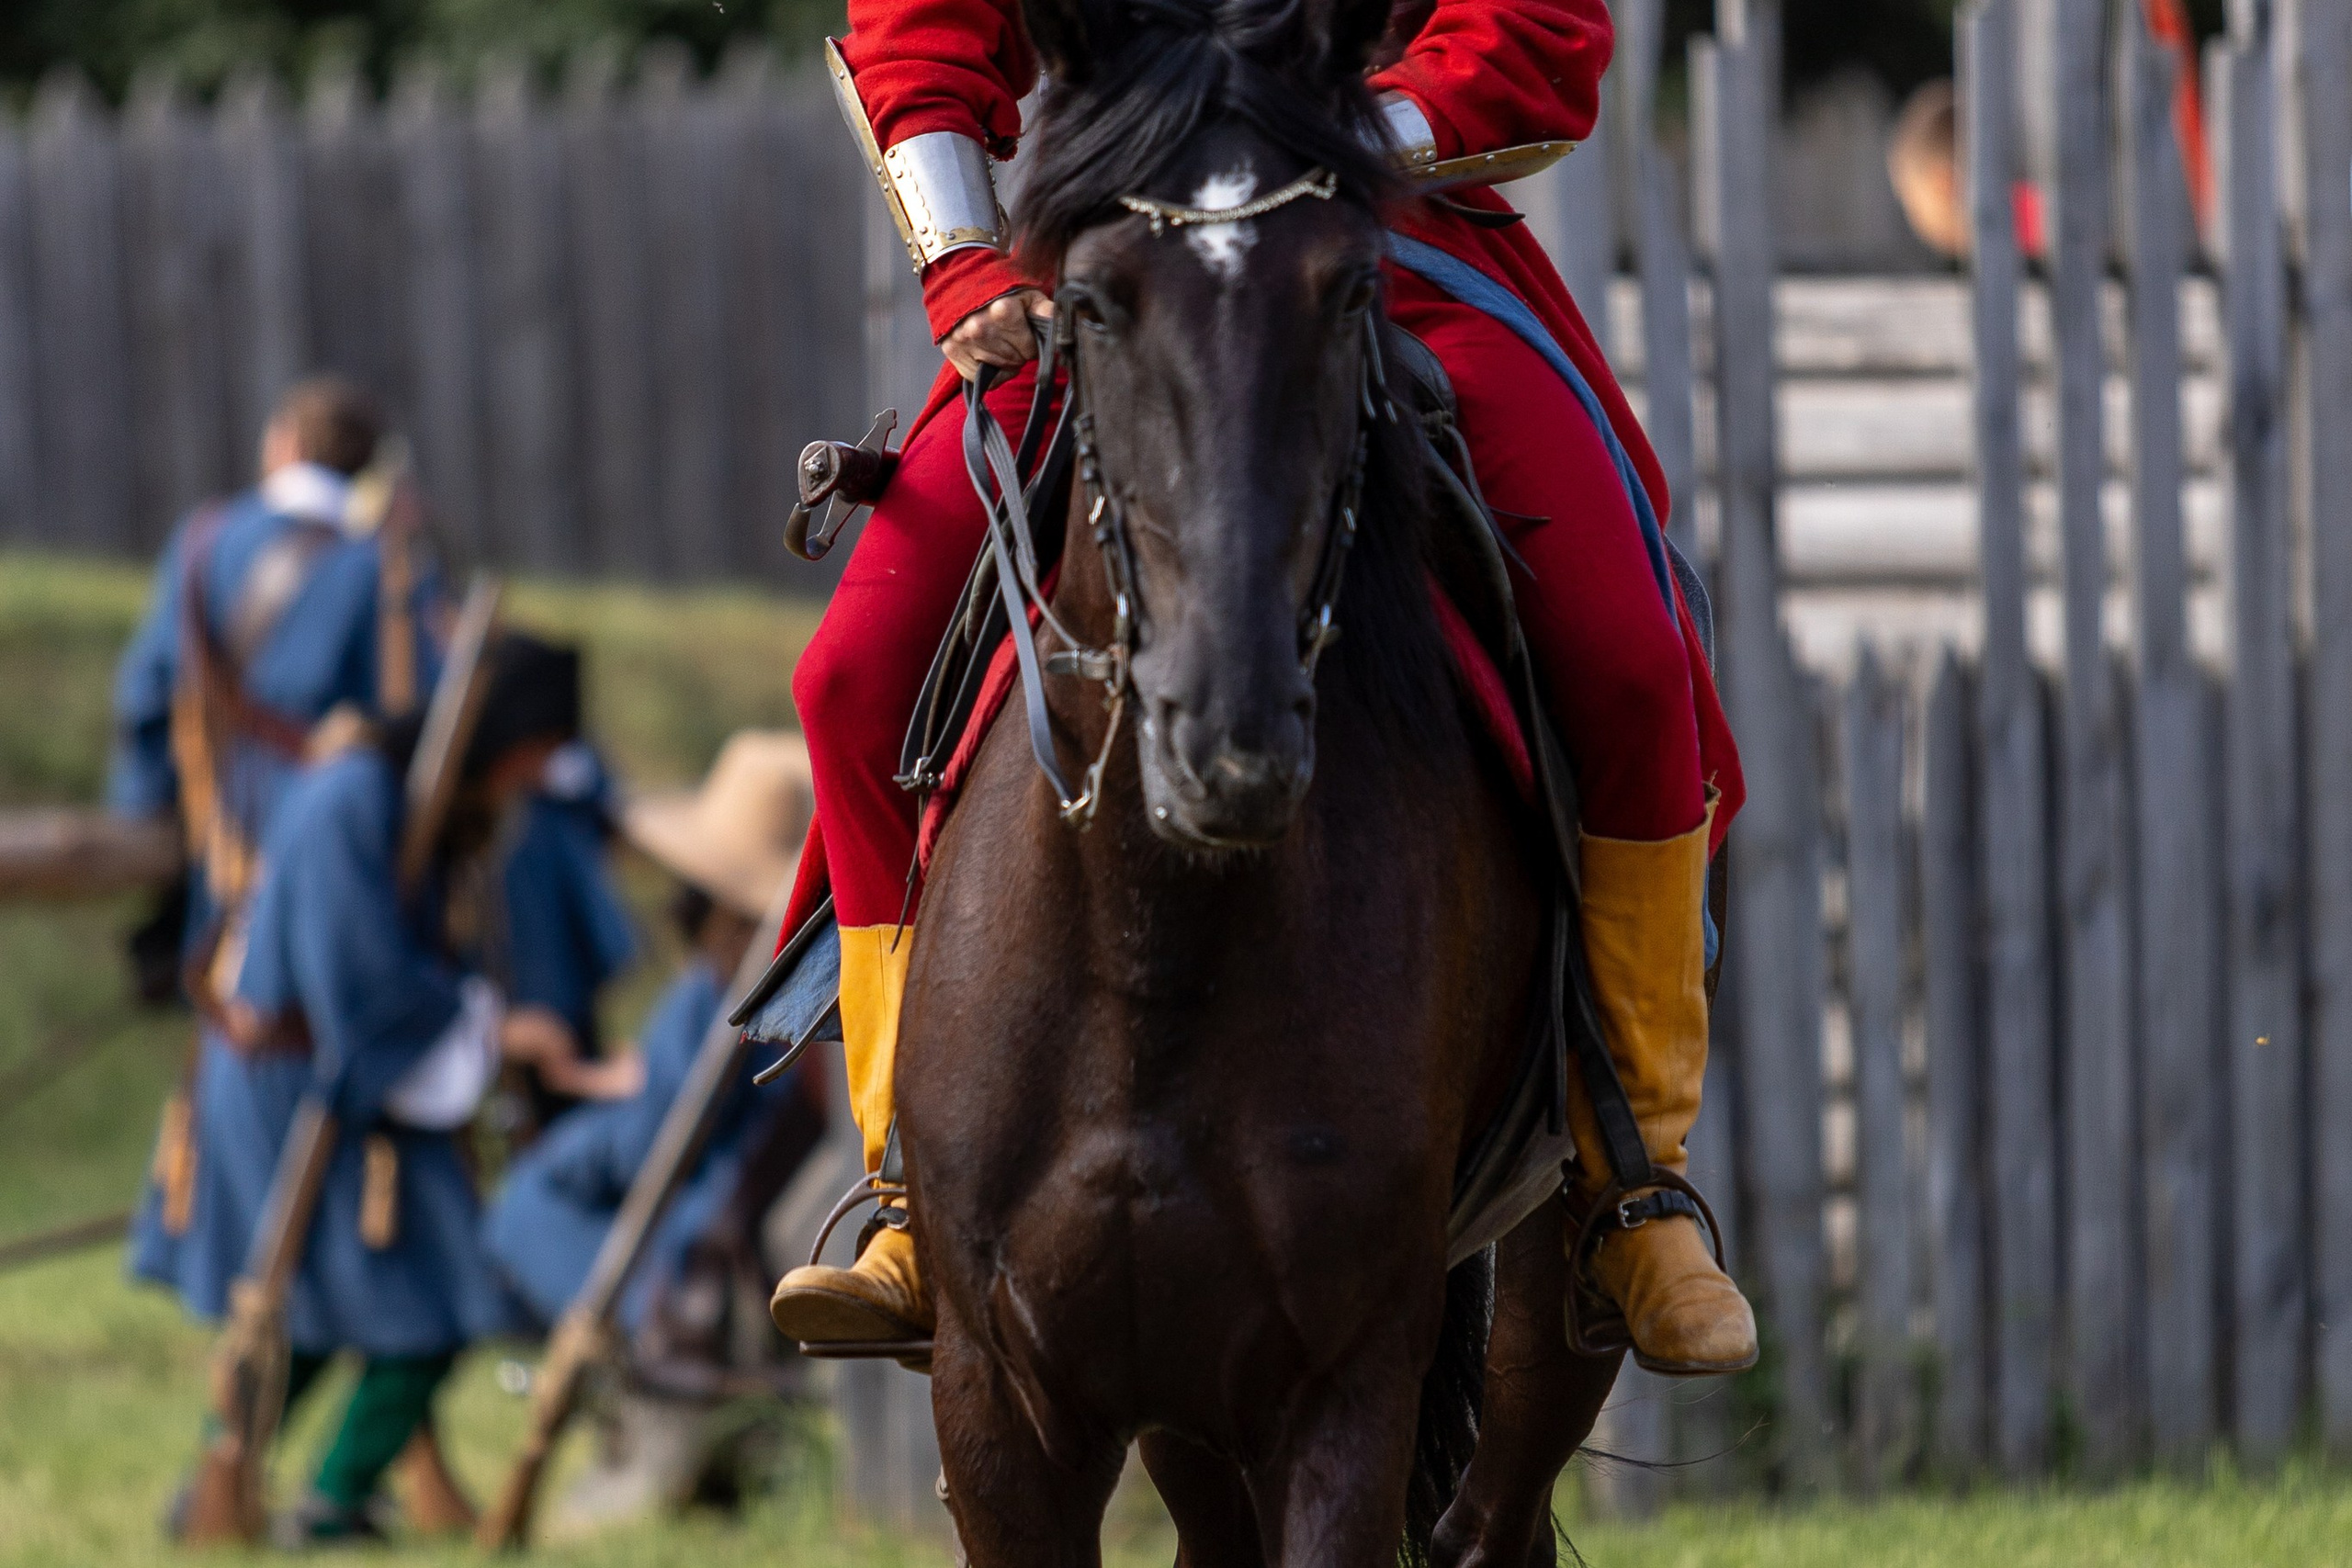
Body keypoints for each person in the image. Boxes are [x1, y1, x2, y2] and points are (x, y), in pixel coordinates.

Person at [766, 0, 1756, 1376]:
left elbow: (1531, 24)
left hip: (1372, 241)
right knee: (853, 674)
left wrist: (1330, 143)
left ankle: (1634, 1177)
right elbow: (922, 22)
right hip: (1107, 265)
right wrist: (962, 258)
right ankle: (903, 1190)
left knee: (1634, 662)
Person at [140, 632, 598, 1546]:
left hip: (352, 1077)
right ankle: (304, 1497)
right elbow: (360, 983)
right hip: (301, 1080)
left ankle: (285, 1494)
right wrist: (489, 1029)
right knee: (427, 1300)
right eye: (536, 751)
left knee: (337, 1305)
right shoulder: (353, 794)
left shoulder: (412, 805)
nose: (533, 775)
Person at [484, 731, 812, 1338]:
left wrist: (573, 1152)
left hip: (696, 1219)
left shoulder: (723, 993)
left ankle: (642, 1323)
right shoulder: (779, 987)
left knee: (525, 1207)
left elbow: (648, 1141)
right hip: (716, 1188)